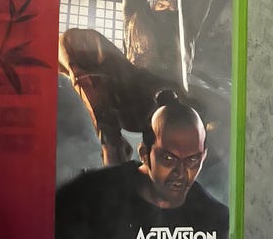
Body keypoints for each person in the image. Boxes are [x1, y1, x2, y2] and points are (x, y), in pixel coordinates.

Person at [55, 91, 229, 239]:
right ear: (145, 154)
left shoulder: (216, 220)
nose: (181, 172)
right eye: (169, 158)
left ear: (203, 156)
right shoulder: (88, 200)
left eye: (192, 160)